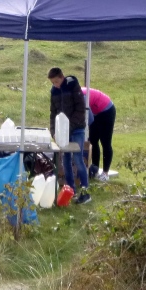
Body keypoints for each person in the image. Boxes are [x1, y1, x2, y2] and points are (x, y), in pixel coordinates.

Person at [48, 67, 91, 204]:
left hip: (77, 128)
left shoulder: (73, 85)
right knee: (65, 159)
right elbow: (53, 114)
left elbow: (80, 108)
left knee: (77, 158)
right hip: (62, 131)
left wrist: (69, 126)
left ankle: (85, 192)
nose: (55, 85)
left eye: (56, 82)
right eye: (52, 83)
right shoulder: (54, 91)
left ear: (62, 77)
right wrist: (53, 131)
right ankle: (71, 190)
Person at [86, 88, 115, 182]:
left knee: (105, 141)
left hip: (107, 110)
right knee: (93, 141)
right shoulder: (72, 97)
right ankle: (95, 170)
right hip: (95, 112)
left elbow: (89, 119)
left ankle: (105, 173)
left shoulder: (80, 97)